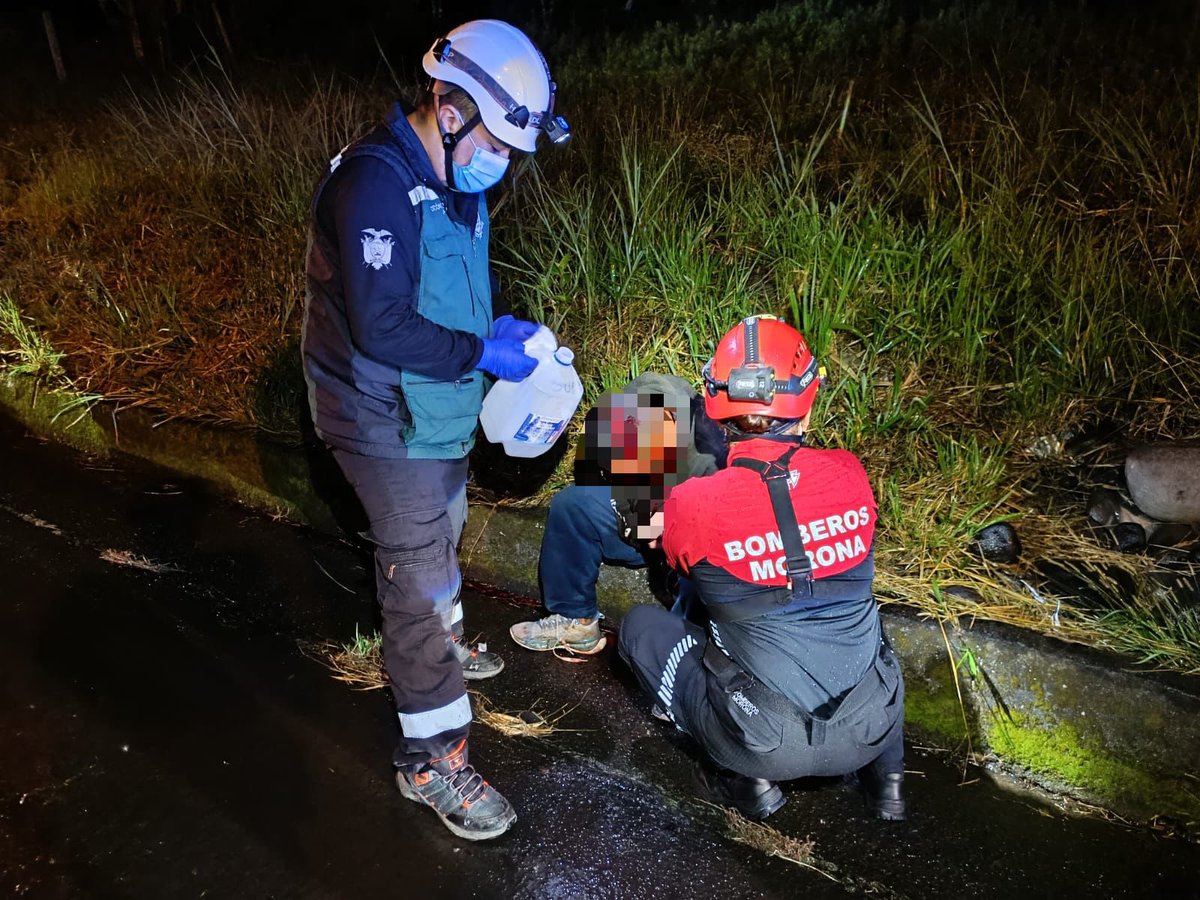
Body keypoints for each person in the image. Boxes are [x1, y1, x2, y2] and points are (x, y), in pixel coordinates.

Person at [301, 19, 571, 841]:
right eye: (498, 142)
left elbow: (448, 292)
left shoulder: (463, 179)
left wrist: (498, 333)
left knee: (445, 527)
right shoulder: (374, 186)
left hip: (438, 401)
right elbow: (382, 327)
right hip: (379, 409)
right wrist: (480, 351)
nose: (505, 163)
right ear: (448, 110)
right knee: (418, 573)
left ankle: (444, 642)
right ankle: (432, 759)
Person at [617, 315, 907, 822]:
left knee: (642, 627)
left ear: (715, 405)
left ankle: (745, 781)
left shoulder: (694, 501)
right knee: (868, 626)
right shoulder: (849, 472)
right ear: (808, 400)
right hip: (870, 727)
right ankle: (890, 787)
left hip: (764, 739)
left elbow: (681, 560)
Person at [509, 373, 727, 654]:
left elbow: (722, 532)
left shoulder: (709, 456)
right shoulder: (617, 426)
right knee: (574, 505)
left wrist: (670, 544)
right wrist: (638, 523)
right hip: (643, 525)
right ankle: (576, 619)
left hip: (689, 540)